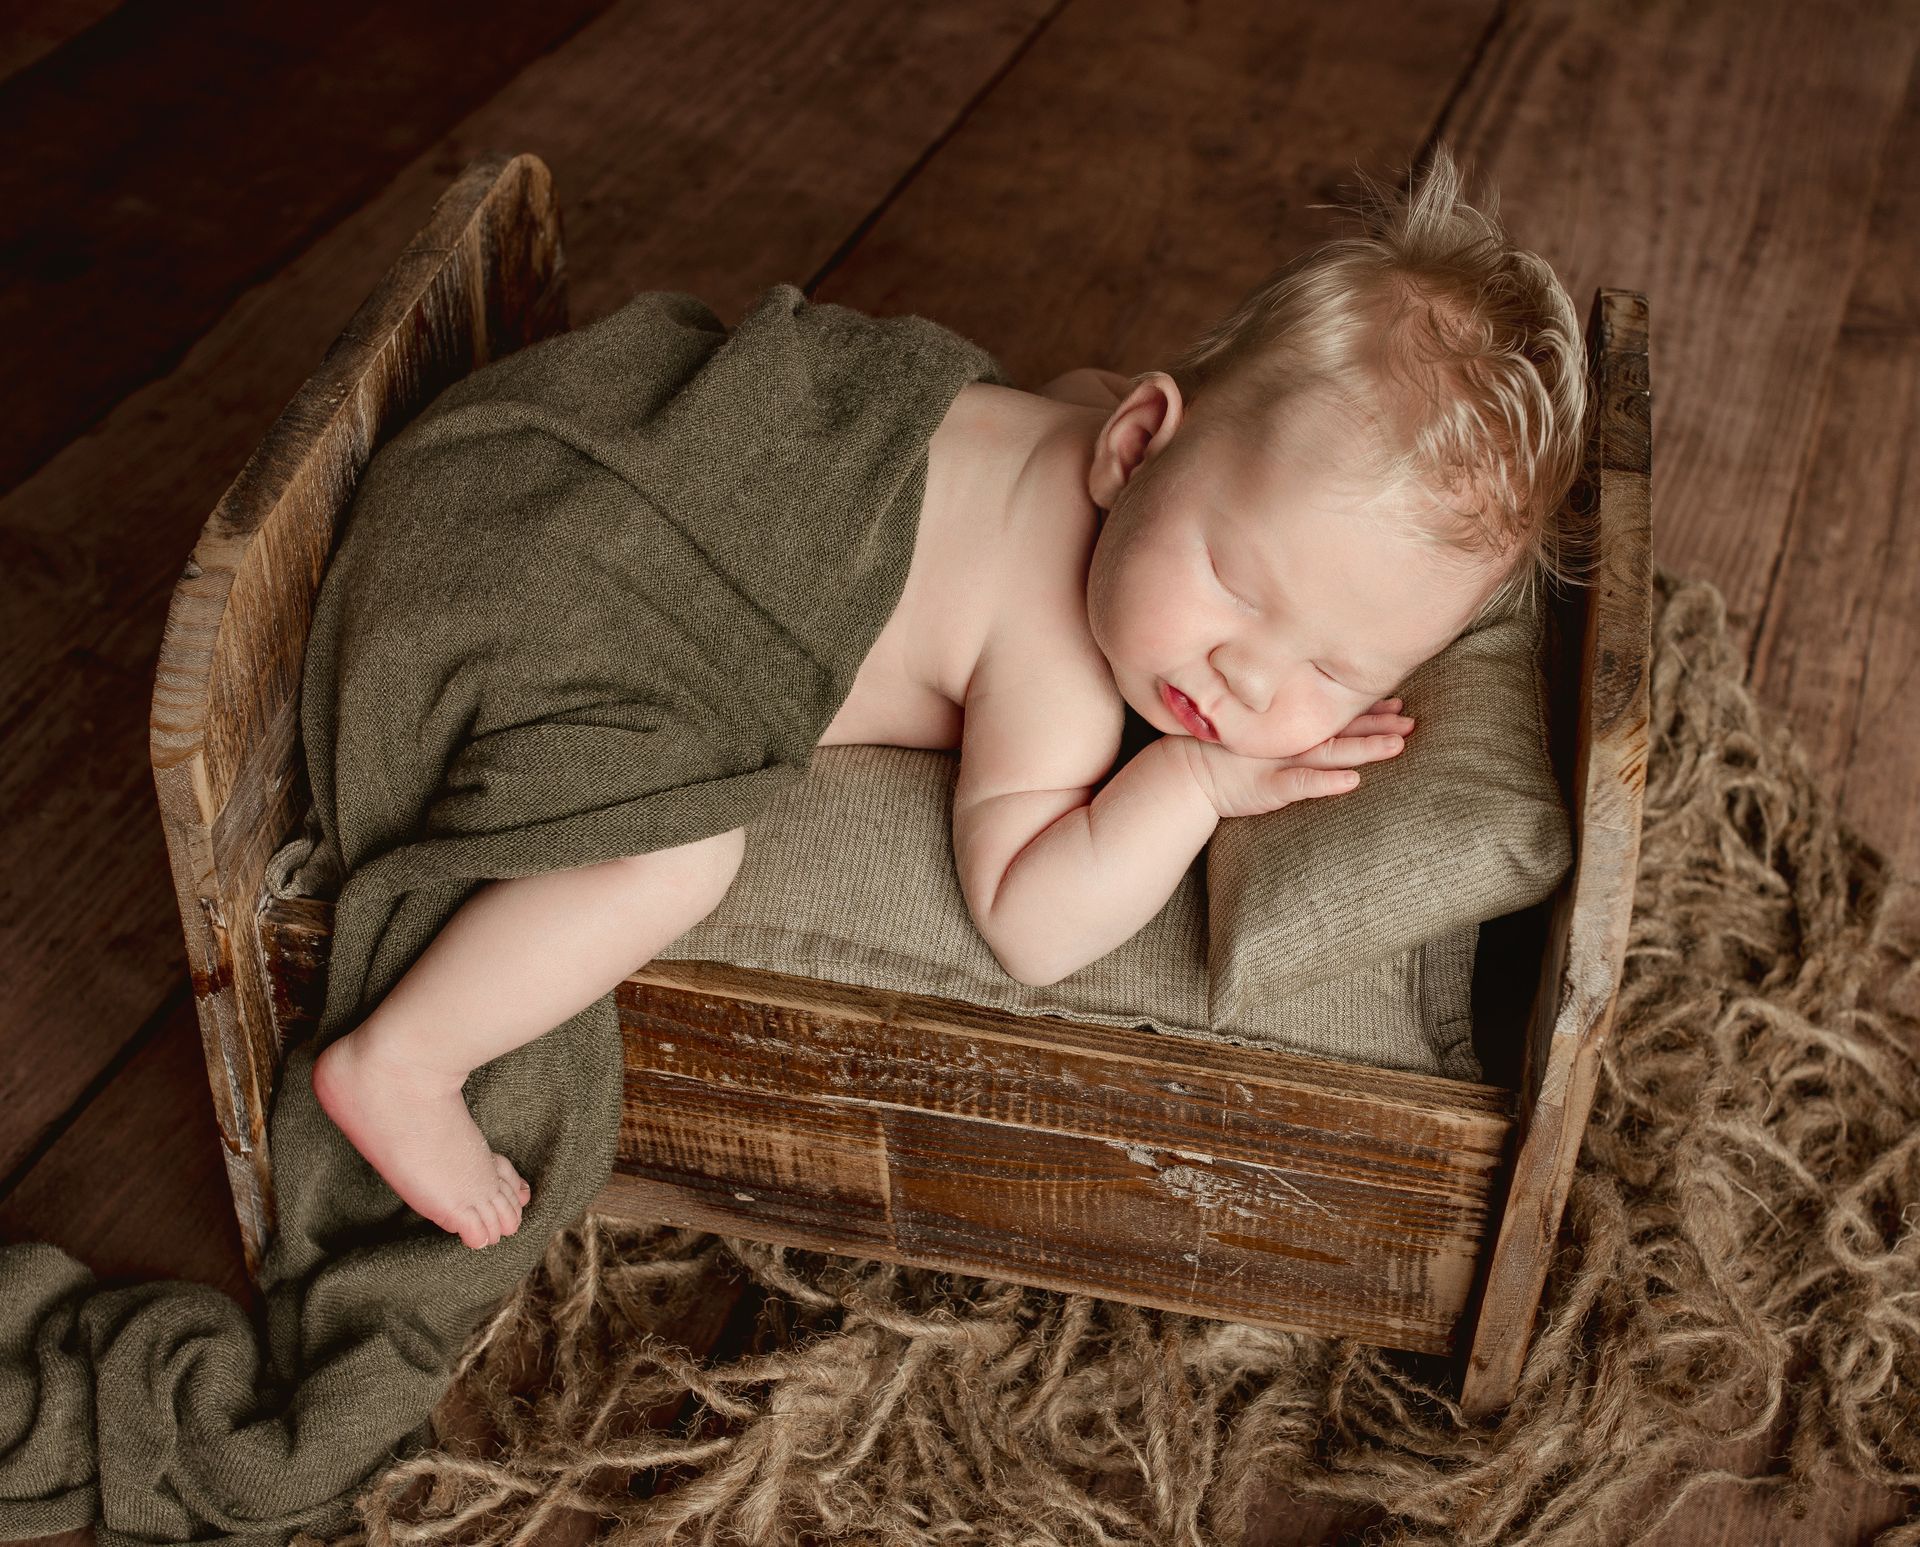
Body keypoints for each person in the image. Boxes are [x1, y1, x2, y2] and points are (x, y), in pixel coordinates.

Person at [309, 140, 1592, 1254]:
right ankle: (408, 1056)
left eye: (1335, 670)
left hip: (515, 460)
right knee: (673, 859)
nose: (1246, 678)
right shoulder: (1058, 667)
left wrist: (1239, 596)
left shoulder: (1091, 415)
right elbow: (1030, 920)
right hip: (556, 595)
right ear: (1139, 441)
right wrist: (1191, 780)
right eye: (1235, 585)